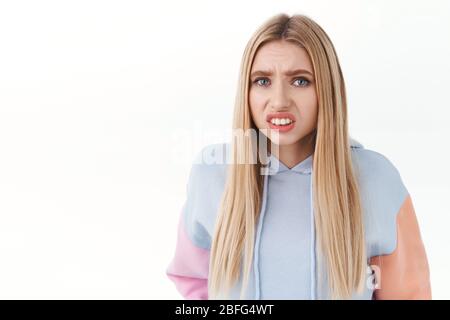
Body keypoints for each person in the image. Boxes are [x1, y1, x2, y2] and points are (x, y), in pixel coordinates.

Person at [166, 13, 431, 300]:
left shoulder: (376, 179)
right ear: (247, 90)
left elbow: (408, 294)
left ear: (326, 91)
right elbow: (192, 280)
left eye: (301, 81)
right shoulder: (212, 174)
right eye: (263, 81)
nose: (279, 101)